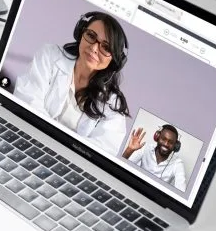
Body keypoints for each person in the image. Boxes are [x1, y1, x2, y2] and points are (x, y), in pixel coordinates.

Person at [13, 11, 130, 154]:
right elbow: (27, 100)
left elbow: (103, 149)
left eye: (106, 47)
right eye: (91, 36)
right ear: (80, 33)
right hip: (29, 136)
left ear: (116, 60)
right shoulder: (49, 56)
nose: (94, 48)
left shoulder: (113, 104)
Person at [123, 125, 187, 190]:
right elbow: (123, 167)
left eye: (171, 142)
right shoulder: (145, 148)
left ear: (175, 146)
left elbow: (181, 188)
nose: (166, 144)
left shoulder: (177, 163)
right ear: (157, 137)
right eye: (163, 139)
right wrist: (129, 149)